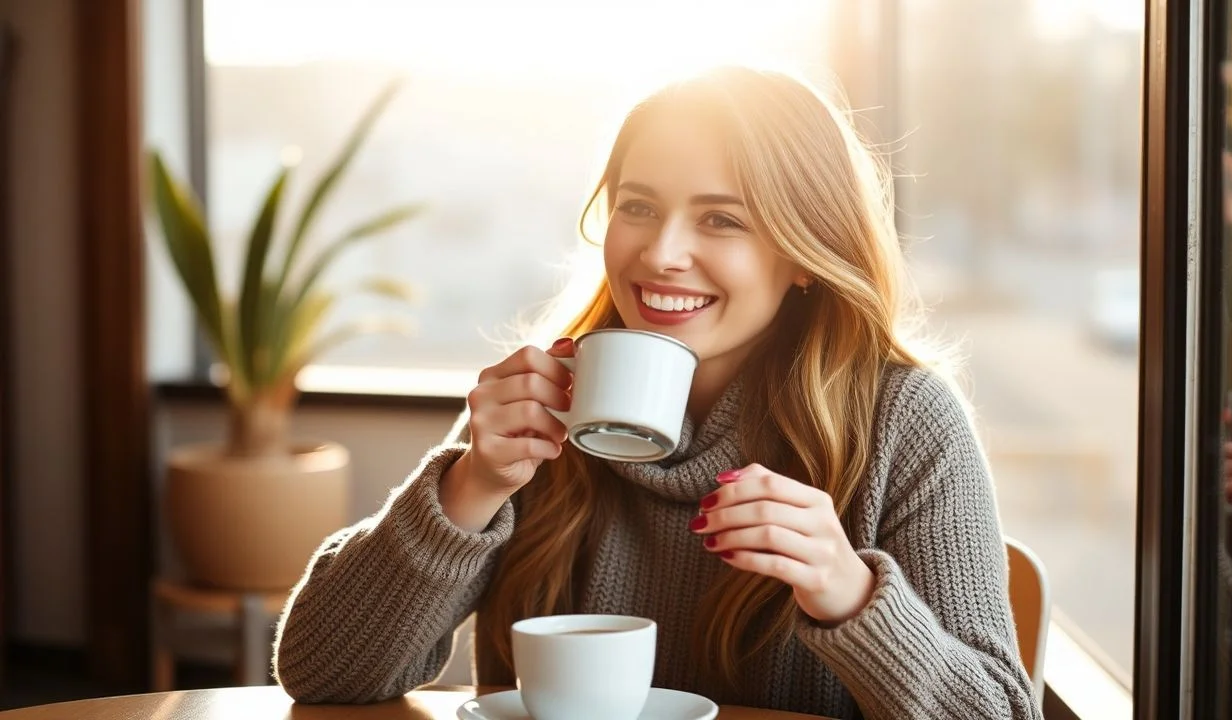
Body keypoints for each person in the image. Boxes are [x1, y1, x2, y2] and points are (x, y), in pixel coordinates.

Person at [272, 65, 1040, 719]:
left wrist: (848, 591)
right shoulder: (545, 401)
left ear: (807, 253)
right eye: (638, 207)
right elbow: (322, 674)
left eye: (721, 219)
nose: (662, 252)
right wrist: (470, 486)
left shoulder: (903, 423)